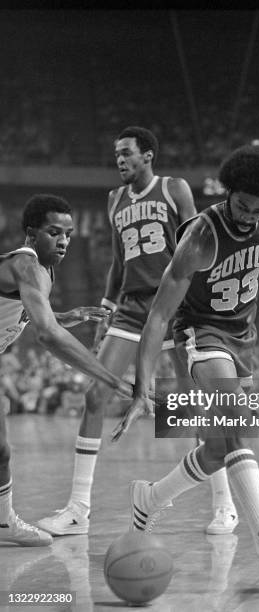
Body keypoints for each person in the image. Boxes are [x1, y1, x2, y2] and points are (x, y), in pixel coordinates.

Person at [112, 144, 259, 582]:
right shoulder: (199, 237)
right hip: (201, 334)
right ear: (227, 191)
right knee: (237, 419)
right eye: (242, 205)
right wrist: (143, 388)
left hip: (244, 337)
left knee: (219, 449)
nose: (249, 216)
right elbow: (160, 314)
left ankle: (150, 499)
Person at [38, 126, 238, 537]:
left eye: (127, 153)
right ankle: (78, 509)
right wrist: (108, 308)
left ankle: (225, 505)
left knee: (197, 401)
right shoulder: (114, 200)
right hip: (130, 310)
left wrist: (202, 306)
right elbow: (117, 261)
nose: (120, 159)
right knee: (95, 395)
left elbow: (199, 244)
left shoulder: (174, 188)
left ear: (148, 155)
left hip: (175, 306)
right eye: (117, 154)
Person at [0, 194, 134, 547]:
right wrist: (110, 378)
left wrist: (65, 316)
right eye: (54, 232)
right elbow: (47, 335)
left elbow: (26, 311)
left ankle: (3, 525)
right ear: (31, 234)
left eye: (69, 234)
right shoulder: (27, 265)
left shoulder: (44, 270)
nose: (63, 241)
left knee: (1, 451)